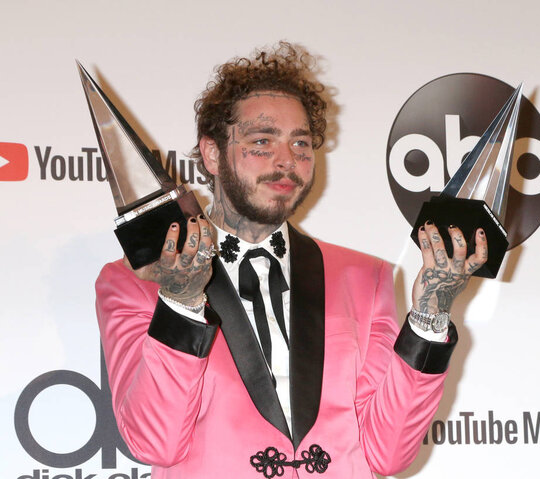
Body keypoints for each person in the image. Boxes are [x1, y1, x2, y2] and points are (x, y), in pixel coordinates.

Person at [95, 42, 488, 479]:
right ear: (212, 153)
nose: (287, 161)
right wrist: (181, 303)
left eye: (300, 143)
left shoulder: (365, 278)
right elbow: (154, 442)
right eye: (262, 141)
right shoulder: (136, 282)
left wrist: (430, 315)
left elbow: (388, 453)